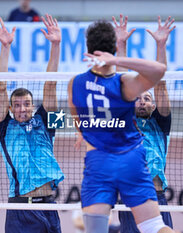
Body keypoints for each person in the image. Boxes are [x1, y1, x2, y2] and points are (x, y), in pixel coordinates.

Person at [68, 16, 174, 233]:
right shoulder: (124, 85)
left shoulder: (75, 83)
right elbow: (158, 70)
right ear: (113, 49)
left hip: (98, 162)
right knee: (155, 226)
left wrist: (83, 132)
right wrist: (116, 59)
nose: (143, 100)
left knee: (94, 229)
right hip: (131, 159)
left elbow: (76, 116)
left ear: (88, 49)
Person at [0, 14, 64, 233]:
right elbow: (0, 89)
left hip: (49, 206)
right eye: (18, 105)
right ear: (11, 109)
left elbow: (51, 85)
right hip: (21, 208)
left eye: (27, 104)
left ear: (33, 106)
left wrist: (56, 44)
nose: (23, 109)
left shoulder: (47, 122)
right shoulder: (3, 127)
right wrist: (5, 48)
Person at [115, 15, 175, 232]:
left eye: (147, 98)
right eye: (138, 97)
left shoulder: (161, 124)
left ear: (153, 105)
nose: (142, 101)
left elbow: (160, 85)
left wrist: (161, 45)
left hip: (158, 197)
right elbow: (121, 83)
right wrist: (121, 45)